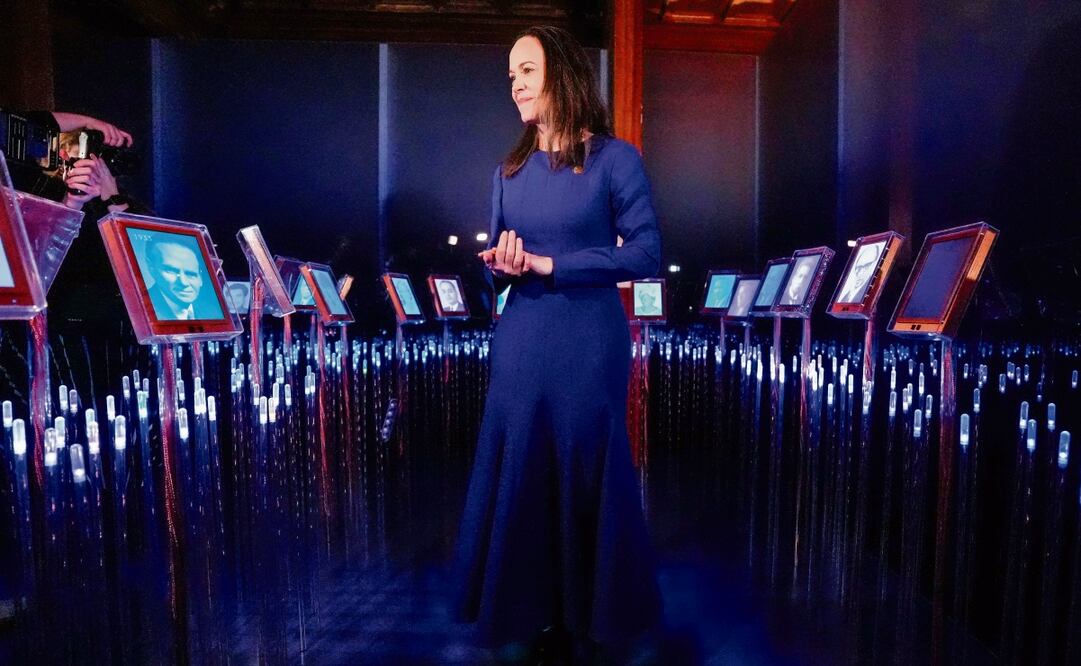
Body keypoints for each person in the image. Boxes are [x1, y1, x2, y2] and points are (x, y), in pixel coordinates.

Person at [453, 25, 663, 663]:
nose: (514, 84)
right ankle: (529, 607)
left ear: (561, 74)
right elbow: (497, 263)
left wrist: (551, 266)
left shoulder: (614, 159)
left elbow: (648, 252)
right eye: (510, 75)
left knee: (583, 461)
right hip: (521, 339)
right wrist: (504, 263)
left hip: (588, 337)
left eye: (525, 70)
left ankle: (591, 612)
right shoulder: (508, 172)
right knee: (522, 463)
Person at [143, 237, 215, 320]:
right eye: (171, 271)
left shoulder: (212, 312)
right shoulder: (139, 308)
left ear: (200, 277)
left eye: (191, 274)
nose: (183, 282)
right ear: (151, 267)